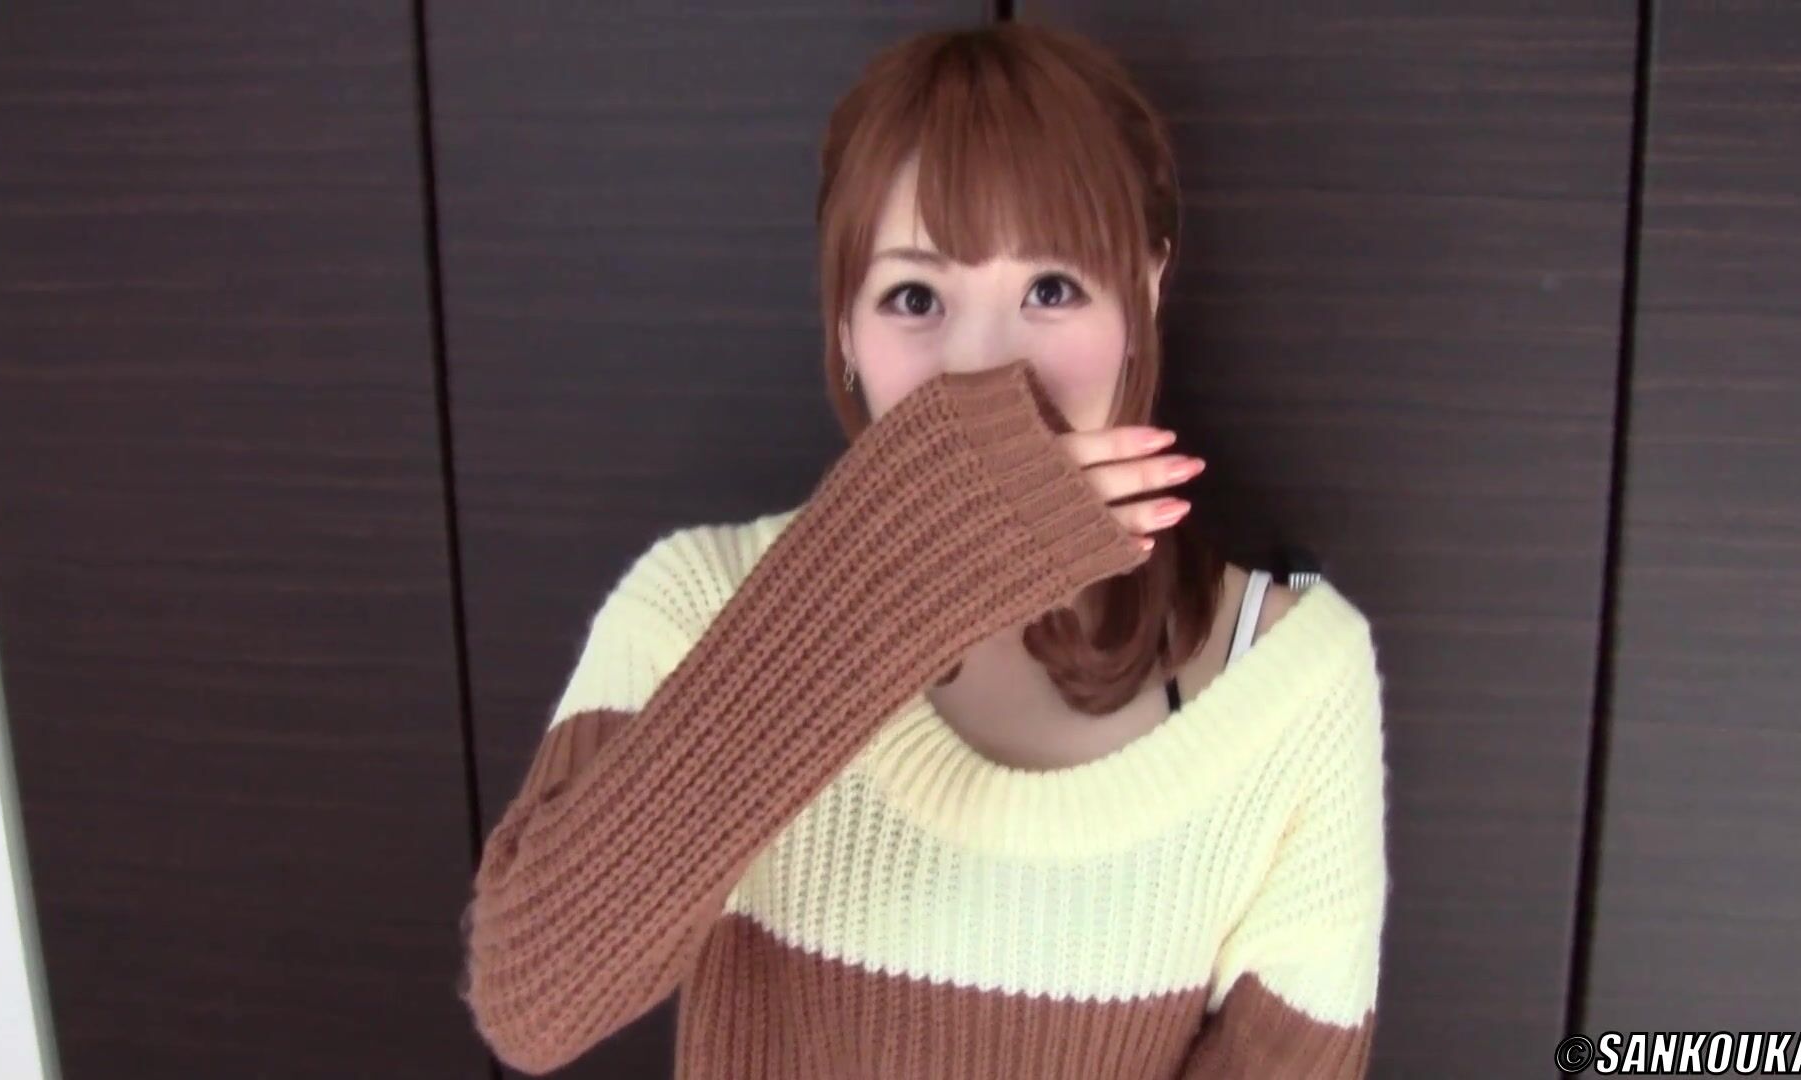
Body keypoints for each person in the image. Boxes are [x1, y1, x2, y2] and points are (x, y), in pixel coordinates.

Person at [458, 20, 1389, 1079]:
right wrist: (896, 574)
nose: (985, 370)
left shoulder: (1286, 677)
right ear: (844, 332)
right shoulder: (697, 603)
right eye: (914, 298)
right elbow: (533, 1001)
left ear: (1146, 291)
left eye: (1051, 289)